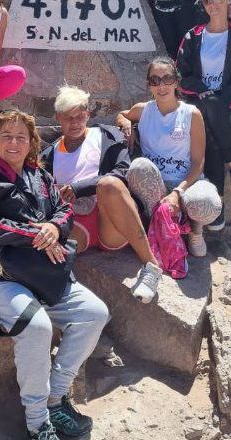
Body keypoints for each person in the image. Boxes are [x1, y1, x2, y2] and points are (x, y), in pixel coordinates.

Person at [0, 110, 109, 440]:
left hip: (39, 272)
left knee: (94, 314)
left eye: (21, 137)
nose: (14, 143)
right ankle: (38, 420)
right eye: (7, 136)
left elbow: (64, 210)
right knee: (38, 328)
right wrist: (34, 235)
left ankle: (56, 398)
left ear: (31, 144)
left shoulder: (38, 175)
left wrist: (54, 229)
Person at [40, 86, 162, 303]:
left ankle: (151, 267)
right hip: (77, 222)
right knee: (48, 245)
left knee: (109, 184)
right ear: (58, 118)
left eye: (80, 116)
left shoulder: (106, 136)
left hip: (111, 217)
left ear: (88, 114)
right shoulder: (49, 155)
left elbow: (124, 171)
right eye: (69, 118)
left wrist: (79, 188)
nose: (75, 122)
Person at [116, 57, 222, 258]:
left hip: (186, 183)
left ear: (176, 81)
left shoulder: (191, 114)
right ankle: (162, 226)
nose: (161, 85)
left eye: (167, 79)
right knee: (138, 167)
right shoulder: (143, 110)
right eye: (155, 80)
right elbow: (122, 114)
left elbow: (199, 162)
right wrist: (126, 123)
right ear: (149, 84)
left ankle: (194, 230)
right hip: (157, 185)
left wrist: (178, 192)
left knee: (207, 203)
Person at [177, 0, 231, 232]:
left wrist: (220, 101)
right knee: (208, 117)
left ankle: (217, 206)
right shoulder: (193, 36)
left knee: (210, 124)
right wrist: (205, 92)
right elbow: (182, 75)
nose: (213, 5)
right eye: (207, 0)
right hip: (201, 102)